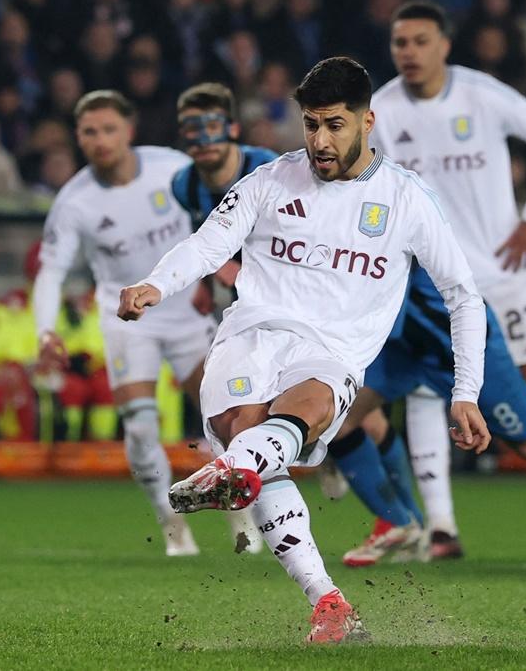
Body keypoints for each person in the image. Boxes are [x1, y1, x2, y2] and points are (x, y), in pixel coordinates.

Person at [117, 57, 489, 644]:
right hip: (247, 339)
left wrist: (466, 391)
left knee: (300, 411)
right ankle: (329, 601)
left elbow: (464, 297)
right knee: (249, 438)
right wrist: (153, 286)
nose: (319, 140)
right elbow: (207, 244)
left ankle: (236, 471)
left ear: (369, 121)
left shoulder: (406, 198)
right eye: (311, 124)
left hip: (332, 351)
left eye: (335, 125)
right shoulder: (269, 181)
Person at [366, 0, 526, 559]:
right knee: (421, 388)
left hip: (504, 270)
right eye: (400, 43)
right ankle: (442, 527)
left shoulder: (481, 94)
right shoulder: (383, 112)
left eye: (419, 41)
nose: (408, 53)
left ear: (444, 45)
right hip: (432, 281)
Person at [32, 90, 259, 558]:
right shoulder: (75, 201)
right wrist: (44, 332)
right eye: (89, 132)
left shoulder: (171, 168)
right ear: (78, 137)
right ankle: (171, 522)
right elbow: (50, 271)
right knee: (139, 427)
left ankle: (241, 514)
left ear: (129, 131)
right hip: (127, 320)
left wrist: (219, 271)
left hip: (187, 312)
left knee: (226, 416)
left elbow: (214, 218)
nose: (100, 140)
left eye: (109, 129)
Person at [328, 266, 526, 572]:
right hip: (405, 347)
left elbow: (375, 306)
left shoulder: (392, 215)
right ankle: (397, 522)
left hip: (458, 343)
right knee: (338, 419)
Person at [169, 82, 278, 315]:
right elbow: (202, 233)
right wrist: (205, 283)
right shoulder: (183, 185)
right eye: (192, 129)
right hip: (239, 297)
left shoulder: (269, 171)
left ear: (233, 130)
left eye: (212, 126)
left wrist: (239, 270)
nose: (203, 140)